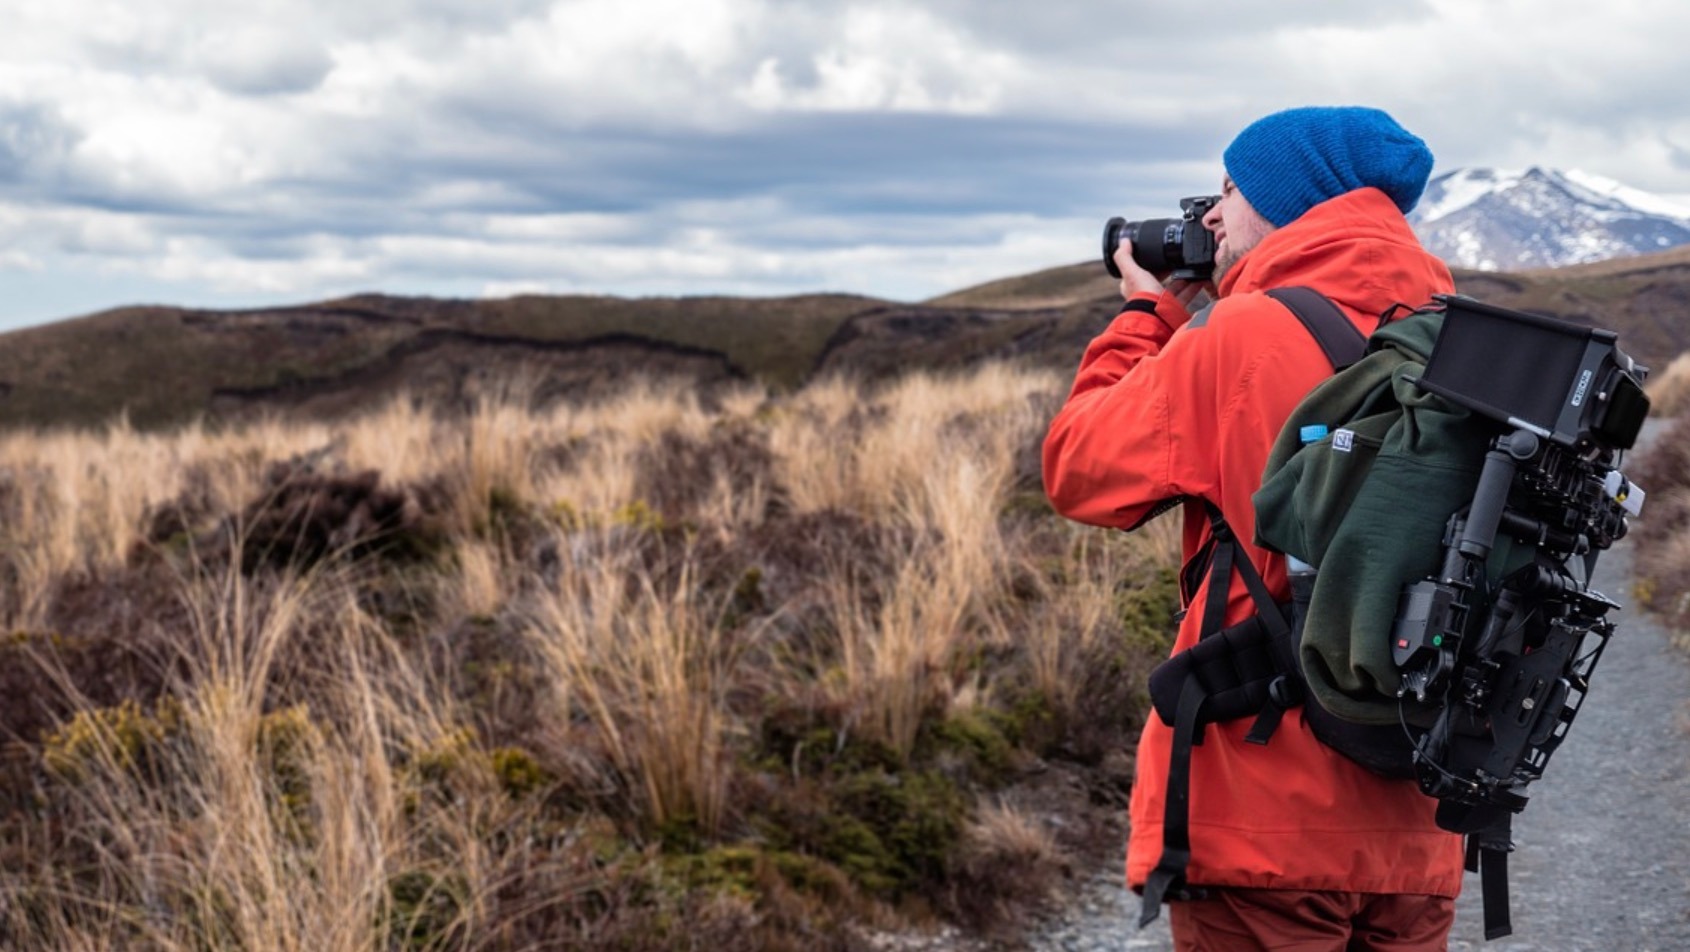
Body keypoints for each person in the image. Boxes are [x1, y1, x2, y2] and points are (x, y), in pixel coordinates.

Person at [1042, 106, 1466, 951]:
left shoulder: (1241, 335)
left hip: (1262, 812)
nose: (1208, 217)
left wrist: (1146, 318)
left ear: (1287, 198)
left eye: (1230, 190)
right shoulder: (1465, 337)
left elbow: (1078, 470)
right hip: (1421, 818)